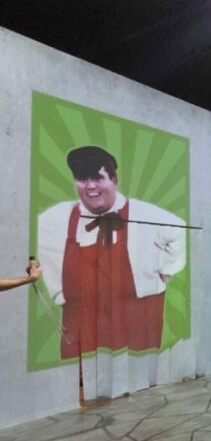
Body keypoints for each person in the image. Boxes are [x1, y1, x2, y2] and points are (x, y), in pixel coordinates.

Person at [37, 145, 186, 359]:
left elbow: (180, 231)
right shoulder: (56, 218)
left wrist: (166, 270)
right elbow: (46, 251)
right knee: (83, 370)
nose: (90, 186)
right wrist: (60, 293)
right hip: (84, 320)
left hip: (138, 316)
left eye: (98, 178)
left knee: (139, 368)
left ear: (114, 180)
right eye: (82, 179)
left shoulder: (145, 214)